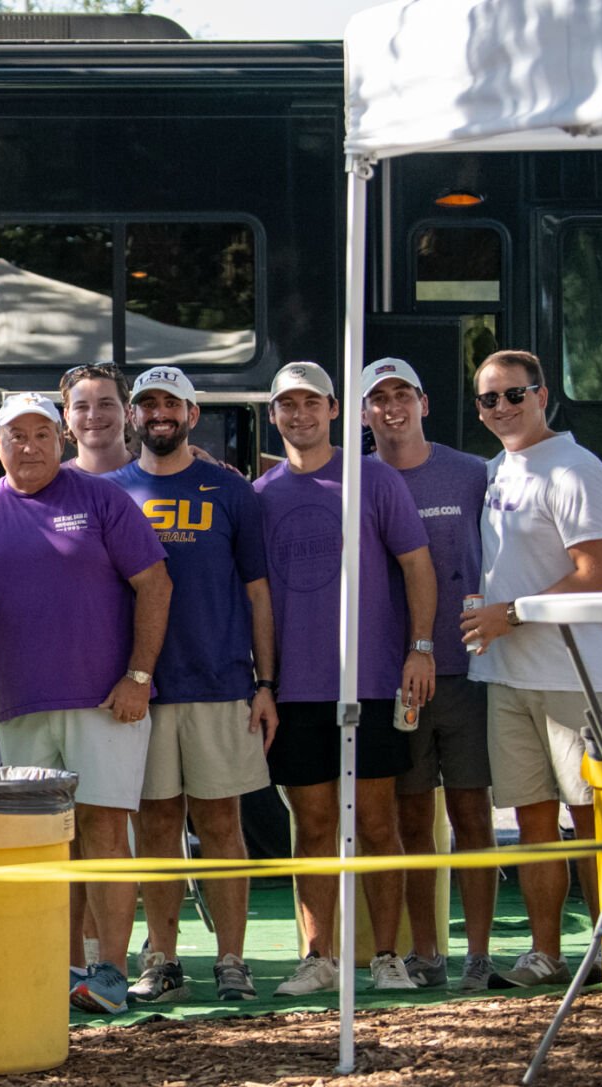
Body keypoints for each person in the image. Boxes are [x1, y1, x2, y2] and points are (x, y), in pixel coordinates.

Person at [0, 391, 171, 1016]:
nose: (30, 445)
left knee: (102, 832)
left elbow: (156, 584)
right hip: (18, 703)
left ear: (61, 440)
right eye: (16, 435)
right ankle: (61, 968)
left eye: (42, 433)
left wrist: (139, 675)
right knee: (46, 841)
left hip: (106, 699)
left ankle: (112, 973)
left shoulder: (101, 499)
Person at [253, 361, 436, 997]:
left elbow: (417, 567)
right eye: (287, 406)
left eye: (312, 403)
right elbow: (258, 600)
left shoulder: (375, 480)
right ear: (273, 416)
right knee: (314, 826)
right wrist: (266, 683)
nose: (299, 415)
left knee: (380, 825)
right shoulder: (262, 494)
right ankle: (317, 956)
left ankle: (389, 957)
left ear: (334, 410)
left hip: (375, 683)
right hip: (297, 691)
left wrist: (420, 649)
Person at [460, 349, 602, 989]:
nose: (501, 407)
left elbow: (600, 577)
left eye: (513, 394)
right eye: (487, 398)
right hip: (507, 675)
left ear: (542, 394)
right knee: (532, 820)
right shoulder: (500, 468)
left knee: (591, 820)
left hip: (575, 676)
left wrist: (515, 614)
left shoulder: (577, 468)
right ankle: (546, 954)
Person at [106, 367, 276, 1003]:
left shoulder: (232, 491)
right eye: (146, 403)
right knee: (154, 828)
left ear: (192, 414)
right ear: (133, 416)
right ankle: (164, 959)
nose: (158, 414)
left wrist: (266, 680)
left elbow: (259, 593)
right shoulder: (111, 492)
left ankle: (233, 959)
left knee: (222, 825)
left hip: (220, 681)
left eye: (170, 403)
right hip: (142, 690)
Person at [360, 357, 498, 993]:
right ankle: (426, 953)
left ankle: (478, 956)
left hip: (467, 672)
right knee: (411, 823)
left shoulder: (473, 474)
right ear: (361, 413)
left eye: (402, 395)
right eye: (378, 398)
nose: (392, 407)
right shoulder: (354, 481)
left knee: (472, 816)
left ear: (424, 403)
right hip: (393, 683)